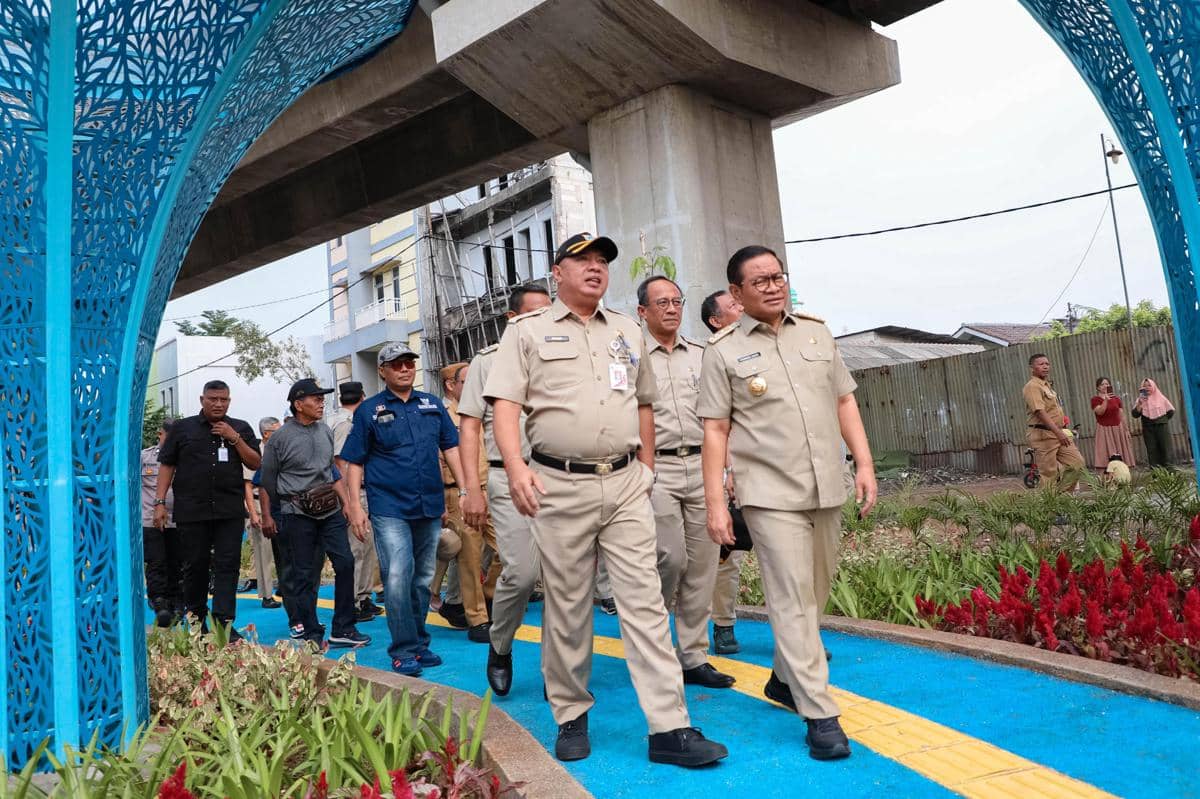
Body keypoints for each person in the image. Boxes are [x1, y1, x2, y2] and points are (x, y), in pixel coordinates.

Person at [484, 232, 727, 767]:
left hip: (623, 483)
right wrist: (517, 467)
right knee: (568, 605)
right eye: (583, 261)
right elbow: (505, 406)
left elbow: (644, 399)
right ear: (558, 272)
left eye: (602, 262)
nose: (595, 269)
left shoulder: (626, 329)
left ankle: (670, 726)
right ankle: (571, 713)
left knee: (642, 601)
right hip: (557, 483)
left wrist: (645, 467)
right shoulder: (527, 332)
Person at [698, 245, 876, 761]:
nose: (774, 286)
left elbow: (845, 401)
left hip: (825, 485)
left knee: (815, 591)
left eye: (778, 276)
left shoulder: (817, 333)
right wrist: (715, 501)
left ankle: (782, 677)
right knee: (791, 599)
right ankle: (819, 713)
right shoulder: (723, 350)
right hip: (768, 492)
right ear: (736, 294)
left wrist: (863, 464)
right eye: (760, 281)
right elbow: (715, 430)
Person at [342, 342, 467, 677]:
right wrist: (355, 507)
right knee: (397, 576)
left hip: (428, 505)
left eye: (409, 363)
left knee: (423, 578)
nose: (404, 369)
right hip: (389, 508)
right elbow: (353, 462)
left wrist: (466, 489)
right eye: (395, 365)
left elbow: (451, 447)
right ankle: (402, 649)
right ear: (382, 371)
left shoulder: (432, 405)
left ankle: (418, 642)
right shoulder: (369, 411)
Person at [637, 275, 735, 689]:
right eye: (661, 303)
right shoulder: (631, 358)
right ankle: (653, 645)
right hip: (655, 469)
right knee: (670, 557)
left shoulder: (703, 355)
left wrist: (728, 470)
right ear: (642, 312)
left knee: (704, 563)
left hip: (703, 467)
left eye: (677, 301)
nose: (672, 309)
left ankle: (693, 655)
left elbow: (721, 417)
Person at [457, 285, 553, 695]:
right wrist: (470, 489)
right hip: (505, 477)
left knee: (564, 577)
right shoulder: (489, 361)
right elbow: (470, 424)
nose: (545, 321)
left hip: (560, 476)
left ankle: (560, 670)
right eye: (535, 314)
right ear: (513, 319)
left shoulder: (561, 356)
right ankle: (501, 645)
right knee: (523, 571)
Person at [260, 379, 370, 649]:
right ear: (299, 404)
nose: (322, 402)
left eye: (322, 398)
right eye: (315, 398)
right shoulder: (280, 439)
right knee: (305, 573)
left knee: (345, 564)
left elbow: (332, 472)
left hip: (330, 510)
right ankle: (310, 631)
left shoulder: (325, 431)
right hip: (296, 513)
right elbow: (267, 480)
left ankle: (343, 627)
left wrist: (346, 503)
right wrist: (273, 513)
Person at [154, 380, 261, 638]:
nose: (218, 404)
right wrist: (159, 503)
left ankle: (223, 622)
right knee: (195, 565)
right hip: (192, 510)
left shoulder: (240, 428)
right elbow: (167, 465)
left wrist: (233, 438)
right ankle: (196, 619)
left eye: (223, 399)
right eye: (213, 399)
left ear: (229, 401)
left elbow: (255, 461)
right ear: (202, 400)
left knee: (228, 565)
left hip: (229, 510)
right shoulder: (182, 428)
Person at [700, 289, 745, 655]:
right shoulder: (708, 358)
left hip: (758, 464)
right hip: (717, 465)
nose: (741, 310)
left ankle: (797, 637)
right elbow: (716, 425)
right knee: (722, 553)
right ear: (716, 320)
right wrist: (726, 471)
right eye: (733, 307)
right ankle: (721, 625)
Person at [439, 361, 495, 643]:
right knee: (470, 559)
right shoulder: (443, 415)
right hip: (460, 493)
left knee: (511, 554)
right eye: (470, 381)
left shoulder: (486, 411)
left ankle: (489, 596)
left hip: (494, 489)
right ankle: (478, 618)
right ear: (451, 385)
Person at [329, 381, 383, 621]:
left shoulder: (348, 420)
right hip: (355, 492)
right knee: (357, 547)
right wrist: (351, 502)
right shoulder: (344, 424)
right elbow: (341, 463)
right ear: (362, 396)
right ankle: (354, 601)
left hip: (362, 489)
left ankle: (363, 597)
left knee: (366, 546)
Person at [1022, 354, 1084, 492]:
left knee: (1077, 464)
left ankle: (1062, 499)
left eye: (1047, 364)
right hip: (1043, 435)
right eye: (1041, 364)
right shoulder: (1032, 386)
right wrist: (1058, 432)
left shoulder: (1047, 386)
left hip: (1058, 433)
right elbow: (1039, 412)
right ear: (1032, 368)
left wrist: (1061, 430)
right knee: (1049, 474)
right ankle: (1052, 510)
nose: (1045, 366)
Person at [142, 418, 182, 627]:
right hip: (151, 520)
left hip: (178, 520)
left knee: (177, 562)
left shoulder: (184, 457)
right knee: (157, 562)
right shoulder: (145, 457)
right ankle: (159, 603)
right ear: (161, 434)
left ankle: (176, 602)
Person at [243, 419, 281, 609]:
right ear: (266, 433)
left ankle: (284, 586)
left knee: (283, 551)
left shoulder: (280, 448)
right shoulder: (254, 452)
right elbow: (248, 486)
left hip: (280, 504)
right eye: (276, 430)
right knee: (263, 553)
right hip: (259, 504)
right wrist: (253, 513)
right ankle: (266, 594)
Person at [1090, 377, 1136, 470]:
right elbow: (1099, 412)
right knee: (1106, 453)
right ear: (1098, 387)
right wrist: (1106, 400)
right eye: (1102, 384)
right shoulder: (1095, 399)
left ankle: (1123, 475)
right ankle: (1108, 477)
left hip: (1118, 428)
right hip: (1104, 429)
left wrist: (1126, 430)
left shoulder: (1116, 399)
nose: (1105, 386)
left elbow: (1121, 415)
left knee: (1121, 452)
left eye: (1107, 384)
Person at [1133, 377, 1176, 468]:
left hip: (1161, 426)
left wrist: (1162, 420)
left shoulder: (1161, 397)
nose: (1147, 387)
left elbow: (1171, 411)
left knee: (1166, 449)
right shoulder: (1140, 400)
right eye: (1144, 386)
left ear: (1153, 386)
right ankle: (1156, 474)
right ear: (1141, 388)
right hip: (1148, 428)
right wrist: (1140, 404)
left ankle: (1170, 473)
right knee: (1152, 450)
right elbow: (1135, 414)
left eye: (1149, 385)